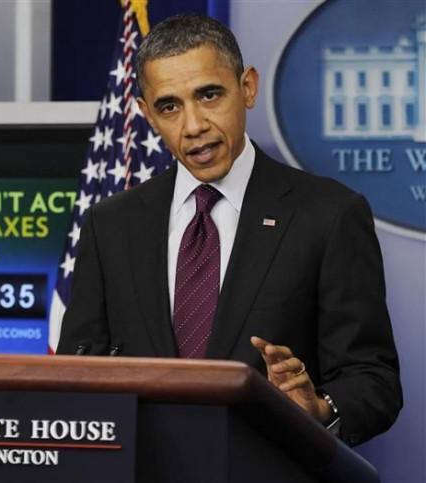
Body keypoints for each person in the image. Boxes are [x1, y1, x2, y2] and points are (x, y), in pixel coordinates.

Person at [56, 13, 401, 446]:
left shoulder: (328, 214)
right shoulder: (111, 224)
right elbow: (75, 368)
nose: (194, 125)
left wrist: (320, 407)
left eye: (209, 95)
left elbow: (373, 378)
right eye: (169, 106)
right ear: (146, 114)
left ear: (248, 87)